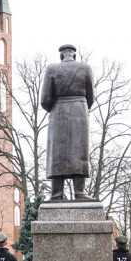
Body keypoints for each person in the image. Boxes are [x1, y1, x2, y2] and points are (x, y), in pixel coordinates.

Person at [41, 44, 95, 201]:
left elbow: (45, 99)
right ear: (74, 55)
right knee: (79, 151)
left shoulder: (51, 69)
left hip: (58, 112)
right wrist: (81, 107)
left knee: (57, 153)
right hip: (80, 110)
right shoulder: (86, 68)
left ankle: (56, 193)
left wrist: (57, 106)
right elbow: (90, 97)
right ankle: (80, 192)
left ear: (61, 56)